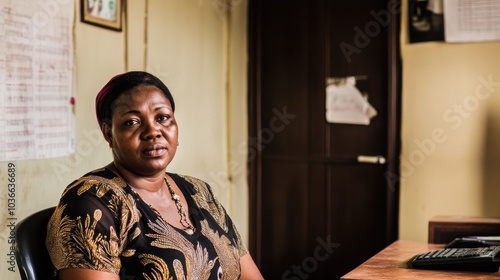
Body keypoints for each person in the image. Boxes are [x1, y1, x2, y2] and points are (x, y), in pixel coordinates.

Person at [46, 71, 264, 280]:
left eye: (163, 117)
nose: (153, 131)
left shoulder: (200, 191)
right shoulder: (92, 202)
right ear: (107, 132)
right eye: (132, 122)